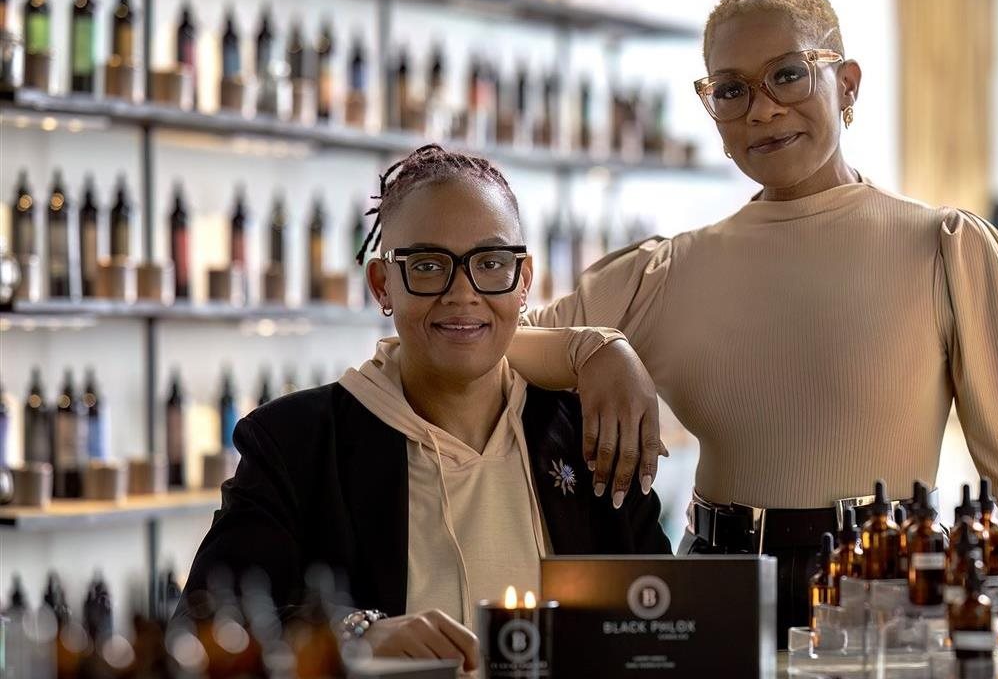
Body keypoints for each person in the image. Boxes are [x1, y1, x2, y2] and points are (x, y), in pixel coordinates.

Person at [523, 0, 998, 638]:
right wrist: (595, 347)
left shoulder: (945, 250)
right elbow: (491, 341)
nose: (762, 109)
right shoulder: (664, 273)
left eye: (787, 75)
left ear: (849, 84)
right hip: (716, 597)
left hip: (886, 594)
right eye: (731, 90)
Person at [177, 145, 670, 671]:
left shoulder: (585, 433)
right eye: (430, 266)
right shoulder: (296, 444)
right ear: (382, 285)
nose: (463, 293)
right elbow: (204, 627)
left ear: (523, 280)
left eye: (491, 263)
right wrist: (357, 635)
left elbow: (664, 622)